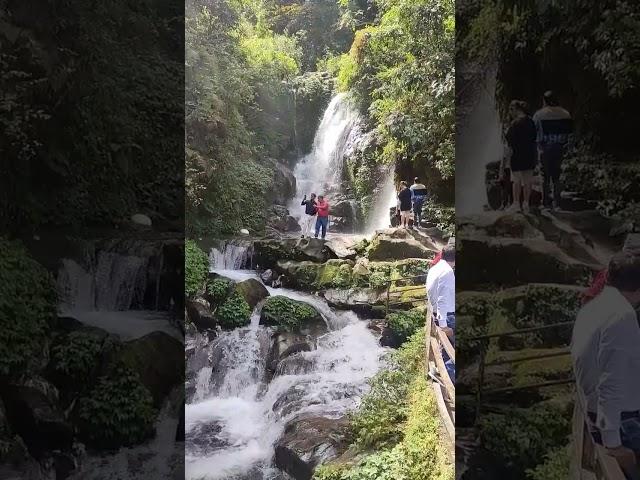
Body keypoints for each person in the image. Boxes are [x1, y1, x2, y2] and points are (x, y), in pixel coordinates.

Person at [571, 252, 640, 478]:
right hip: (622, 426)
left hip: (601, 415)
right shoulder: (622, 316)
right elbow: (611, 383)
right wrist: (615, 445)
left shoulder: (593, 307)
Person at [533, 91, 573, 211]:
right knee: (556, 175)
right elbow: (569, 133)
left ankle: (545, 203)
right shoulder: (565, 113)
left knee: (544, 175)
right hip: (559, 147)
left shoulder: (539, 114)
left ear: (544, 101)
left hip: (544, 148)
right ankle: (557, 203)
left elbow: (535, 132)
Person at [426, 245, 455, 381]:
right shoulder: (447, 271)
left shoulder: (435, 268)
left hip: (439, 313)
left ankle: (439, 371)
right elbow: (443, 298)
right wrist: (443, 324)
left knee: (447, 347)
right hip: (447, 316)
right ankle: (447, 377)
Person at [505, 100, 537, 213]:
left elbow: (509, 142)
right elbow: (534, 137)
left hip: (517, 155)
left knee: (516, 180)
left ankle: (516, 203)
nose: (510, 113)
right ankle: (526, 204)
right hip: (529, 154)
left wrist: (506, 160)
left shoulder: (515, 124)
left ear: (516, 109)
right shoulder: (531, 122)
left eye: (511, 110)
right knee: (528, 180)